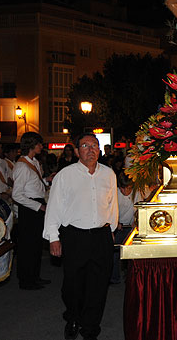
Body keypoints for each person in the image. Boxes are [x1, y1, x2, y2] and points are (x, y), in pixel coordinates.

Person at [43, 133, 118, 340]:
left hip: (101, 235)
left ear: (99, 150)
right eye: (85, 145)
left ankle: (91, 327)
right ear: (77, 151)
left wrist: (111, 230)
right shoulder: (65, 175)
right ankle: (73, 317)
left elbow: (112, 205)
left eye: (94, 145)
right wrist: (53, 237)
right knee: (73, 285)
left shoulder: (109, 174)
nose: (91, 149)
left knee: (99, 284)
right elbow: (54, 207)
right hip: (74, 236)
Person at [12, 132, 53, 290]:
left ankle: (34, 276)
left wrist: (46, 181)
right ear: (31, 145)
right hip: (29, 208)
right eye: (39, 144)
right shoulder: (22, 166)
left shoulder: (35, 162)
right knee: (27, 246)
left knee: (36, 244)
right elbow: (17, 195)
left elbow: (33, 184)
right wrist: (38, 206)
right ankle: (26, 280)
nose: (41, 147)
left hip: (36, 204)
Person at [110, 172, 140, 284]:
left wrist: (136, 220)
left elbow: (138, 208)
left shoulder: (136, 192)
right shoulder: (115, 193)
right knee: (115, 253)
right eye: (123, 189)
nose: (126, 192)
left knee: (131, 254)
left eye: (128, 189)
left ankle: (130, 277)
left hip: (131, 226)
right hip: (119, 226)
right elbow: (110, 209)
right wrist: (116, 221)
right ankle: (114, 277)